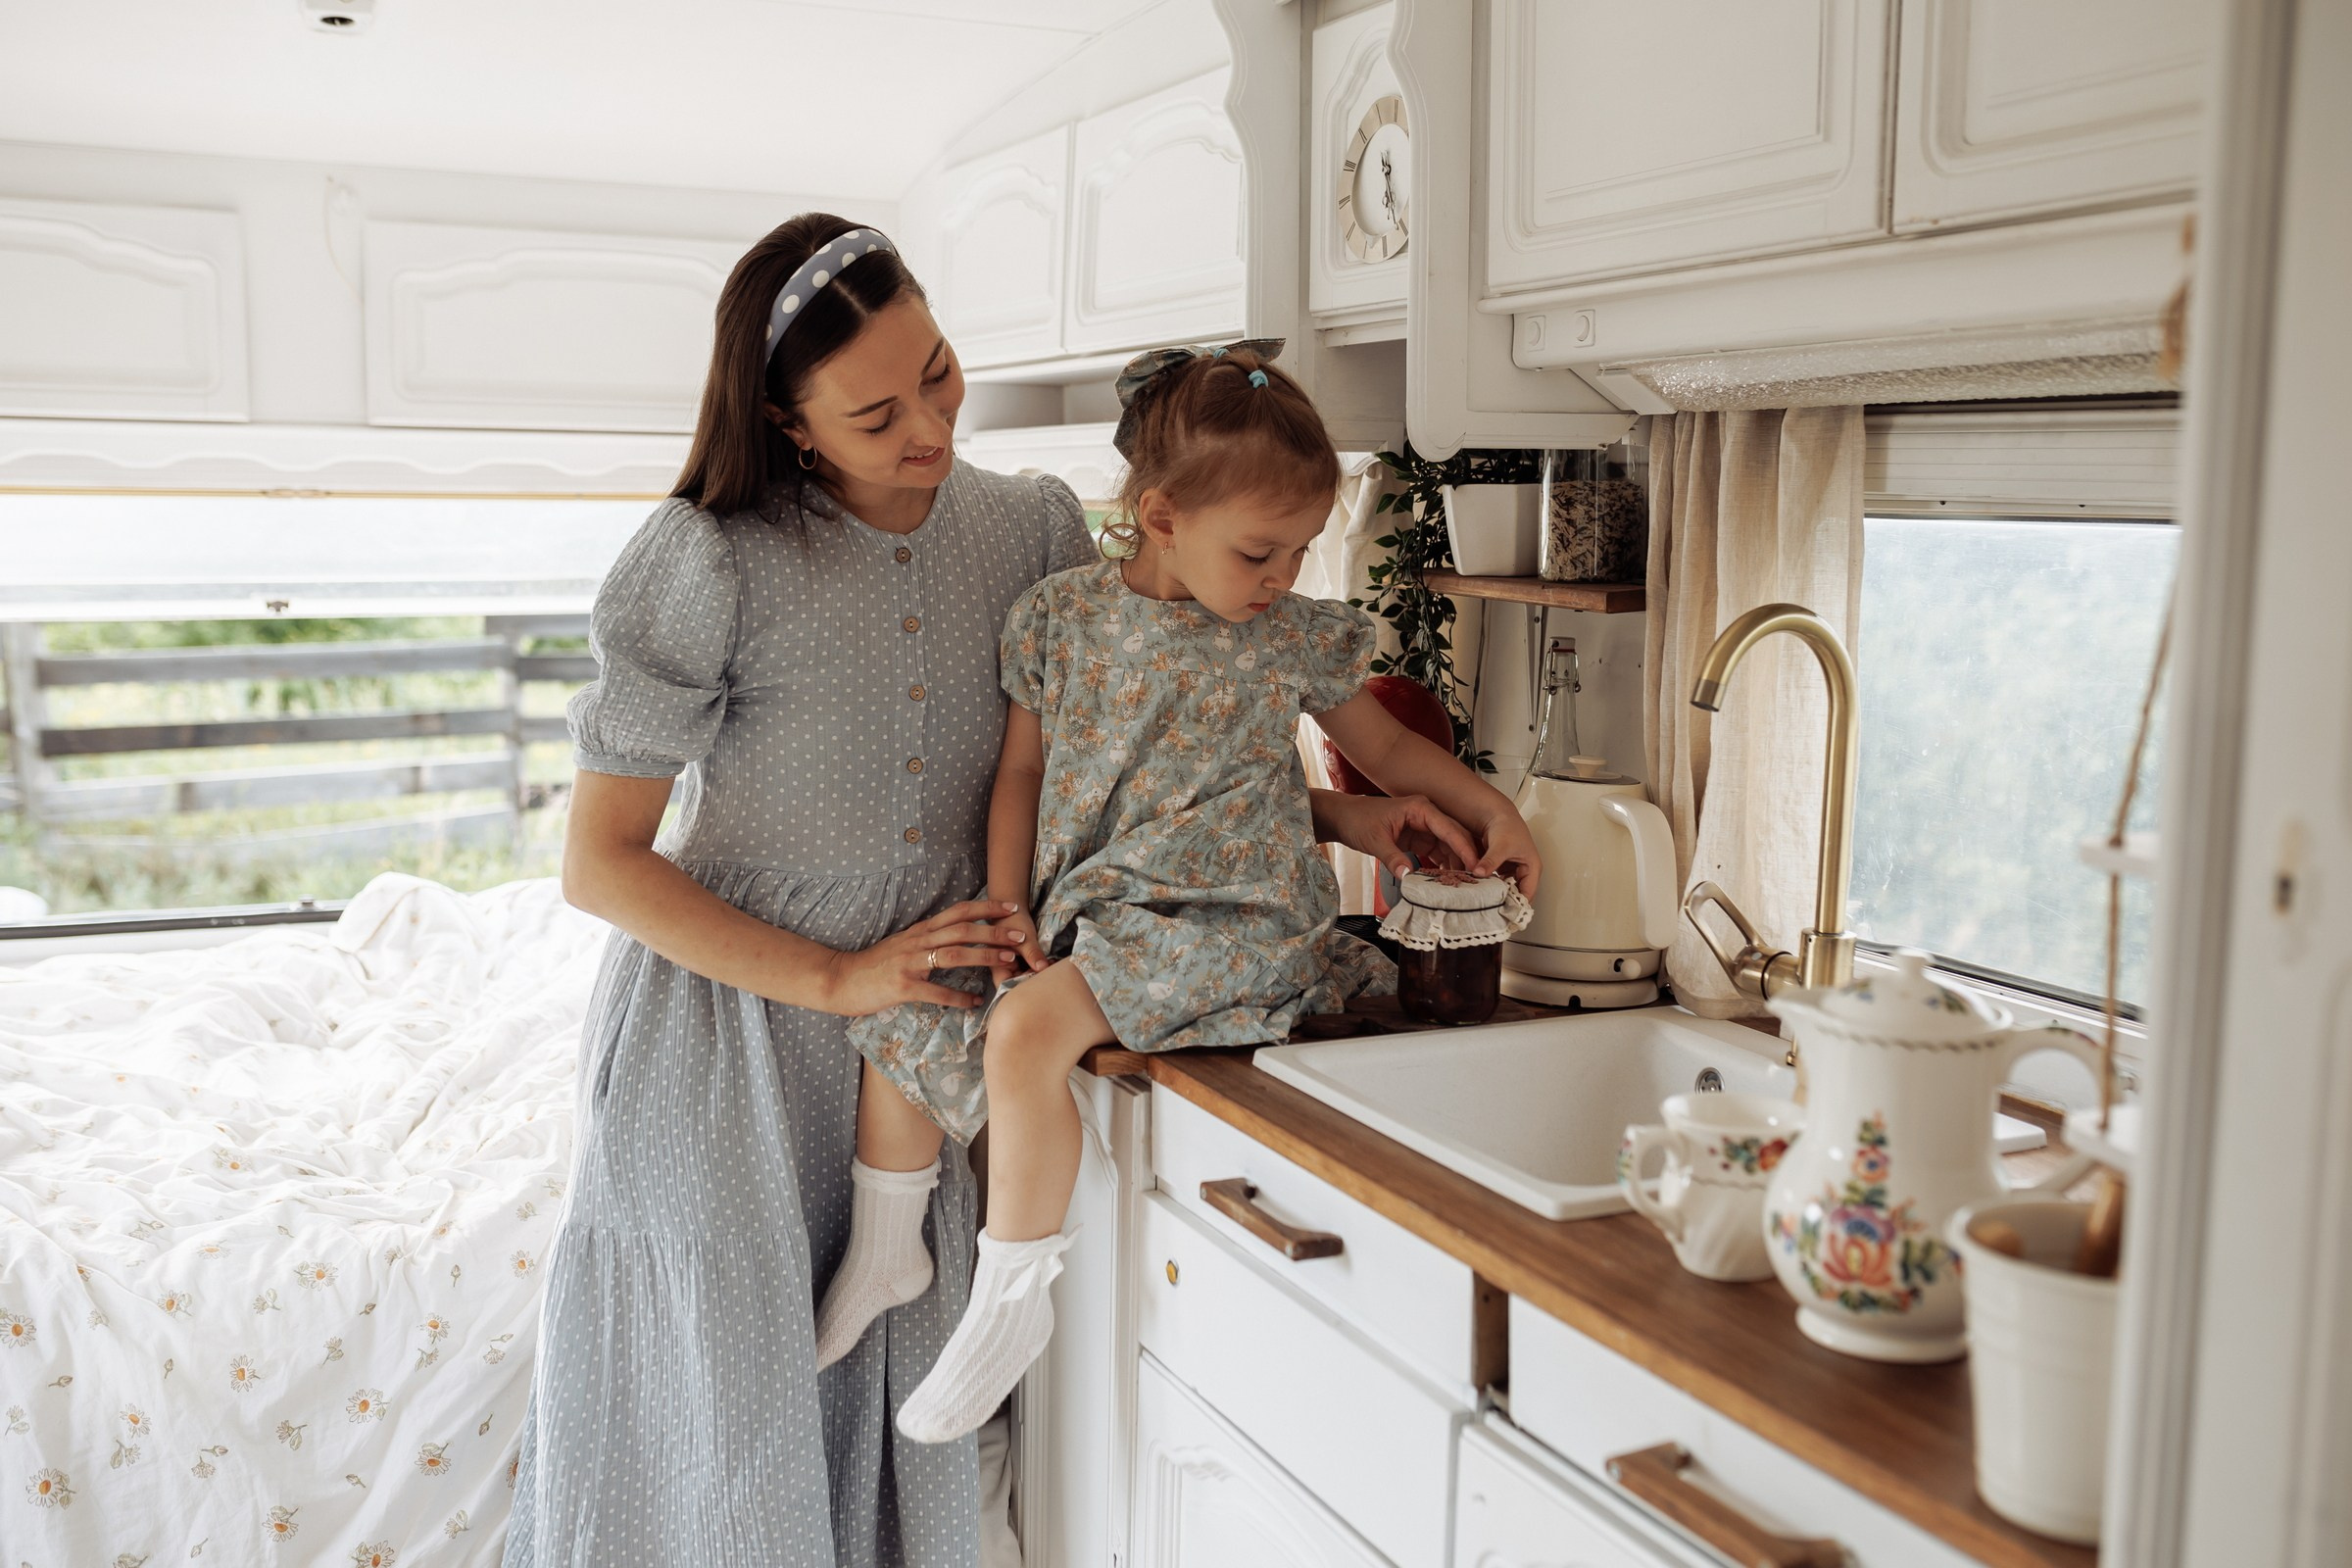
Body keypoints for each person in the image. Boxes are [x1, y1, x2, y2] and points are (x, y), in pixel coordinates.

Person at [509, 216, 1504, 1567]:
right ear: (788, 423)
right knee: (720, 1431)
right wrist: (839, 976)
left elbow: (1150, 758)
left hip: (941, 1026)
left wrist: (1354, 813)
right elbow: (600, 863)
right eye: (876, 415)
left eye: (938, 373)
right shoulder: (708, 560)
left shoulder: (1030, 530)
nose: (930, 426)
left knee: (906, 1416)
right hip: (736, 1043)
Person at [815, 343, 1543, 1446]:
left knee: (1026, 1032)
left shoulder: (1289, 637)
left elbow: (1390, 749)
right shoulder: (1058, 620)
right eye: (1259, 551)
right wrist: (1005, 909)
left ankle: (1011, 1297)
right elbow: (1021, 776)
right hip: (1096, 915)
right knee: (918, 994)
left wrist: (1498, 812)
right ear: (1160, 516)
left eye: (1301, 550)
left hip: (1239, 924)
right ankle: (885, 1249)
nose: (1283, 575)